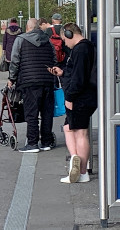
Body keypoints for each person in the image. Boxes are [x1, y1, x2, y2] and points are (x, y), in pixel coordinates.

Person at [50, 23, 96, 183]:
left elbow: (79, 77)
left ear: (69, 34)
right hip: (85, 95)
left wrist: (70, 97)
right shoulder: (87, 48)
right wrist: (63, 73)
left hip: (80, 97)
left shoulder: (81, 49)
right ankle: (75, 160)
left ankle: (81, 171)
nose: (64, 43)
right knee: (69, 128)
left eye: (64, 39)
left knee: (80, 132)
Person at [9, 18, 59, 153]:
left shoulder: (20, 40)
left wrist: (11, 79)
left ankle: (32, 143)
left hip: (29, 82)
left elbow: (15, 61)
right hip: (48, 81)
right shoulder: (48, 40)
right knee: (47, 113)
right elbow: (54, 60)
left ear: (27, 27)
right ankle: (46, 142)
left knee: (31, 114)